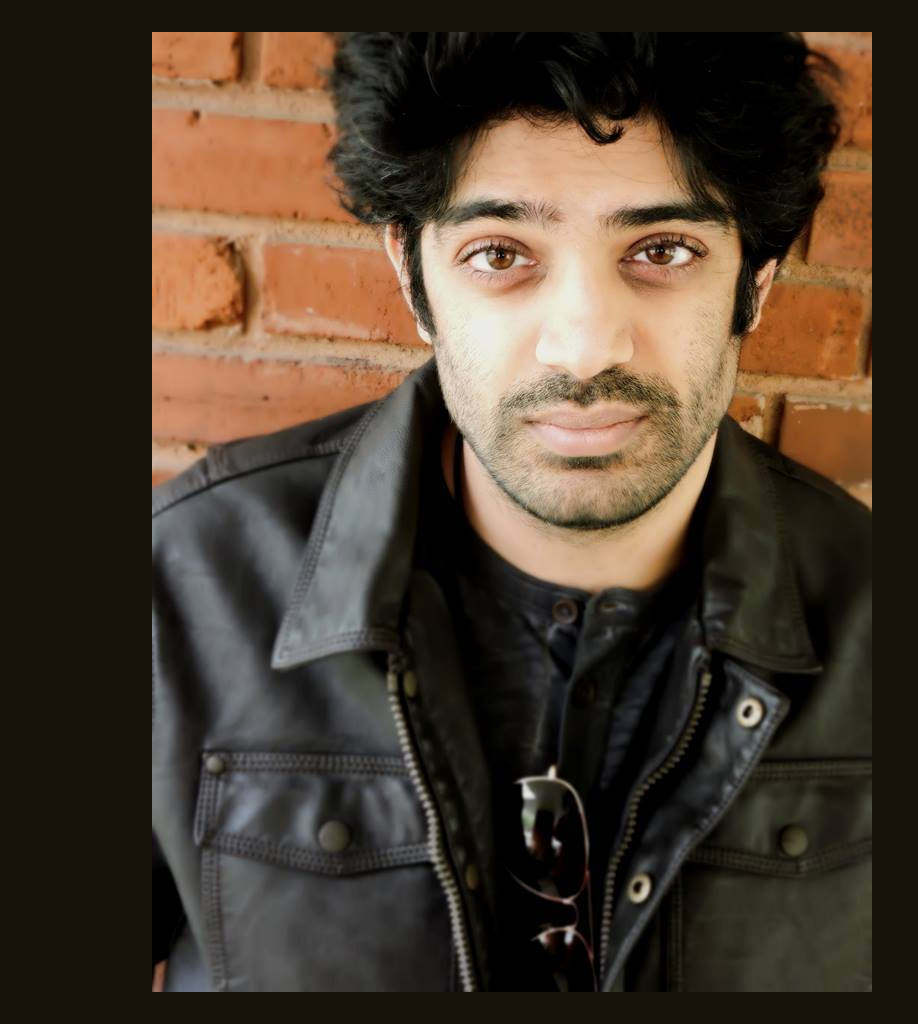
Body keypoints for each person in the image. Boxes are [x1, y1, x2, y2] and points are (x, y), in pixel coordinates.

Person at [152, 32, 871, 992]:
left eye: (663, 249)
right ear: (414, 278)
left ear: (755, 283)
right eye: (501, 253)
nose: (581, 348)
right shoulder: (177, 589)